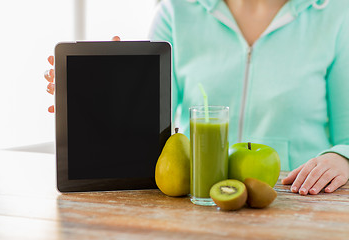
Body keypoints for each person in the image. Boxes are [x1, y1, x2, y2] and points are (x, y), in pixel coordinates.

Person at [44, 0, 349, 195]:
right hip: (195, 201)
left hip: (296, 200)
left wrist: (341, 158)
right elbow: (144, 127)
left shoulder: (336, 15)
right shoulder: (175, 12)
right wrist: (98, 94)